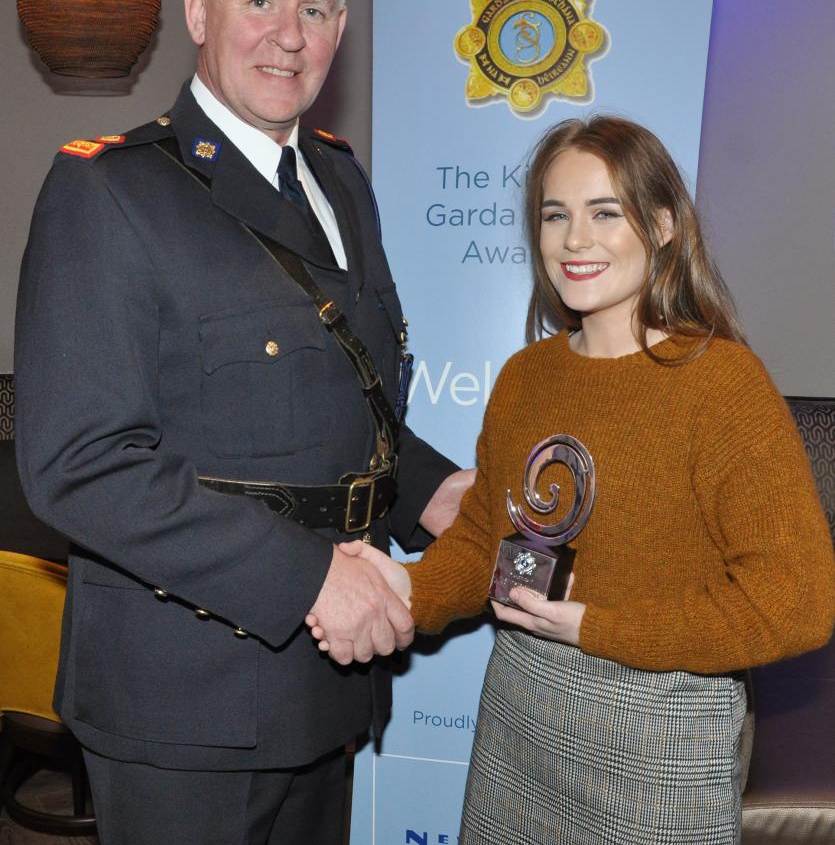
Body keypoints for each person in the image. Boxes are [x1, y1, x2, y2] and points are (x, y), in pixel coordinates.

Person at [14, 0, 472, 845]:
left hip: (328, 686)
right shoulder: (108, 191)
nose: (289, 37)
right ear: (197, 11)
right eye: (260, 0)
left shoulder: (341, 178)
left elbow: (350, 401)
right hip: (184, 697)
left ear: (341, 27)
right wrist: (308, 579)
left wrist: (433, 493)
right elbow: (80, 463)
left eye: (315, 10)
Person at [311, 115, 835, 845]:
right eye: (554, 215)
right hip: (520, 717)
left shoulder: (720, 385)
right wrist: (405, 589)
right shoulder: (528, 378)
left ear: (660, 225)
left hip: (659, 740)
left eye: (603, 212)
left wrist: (596, 627)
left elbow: (796, 601)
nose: (573, 240)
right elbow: (485, 545)